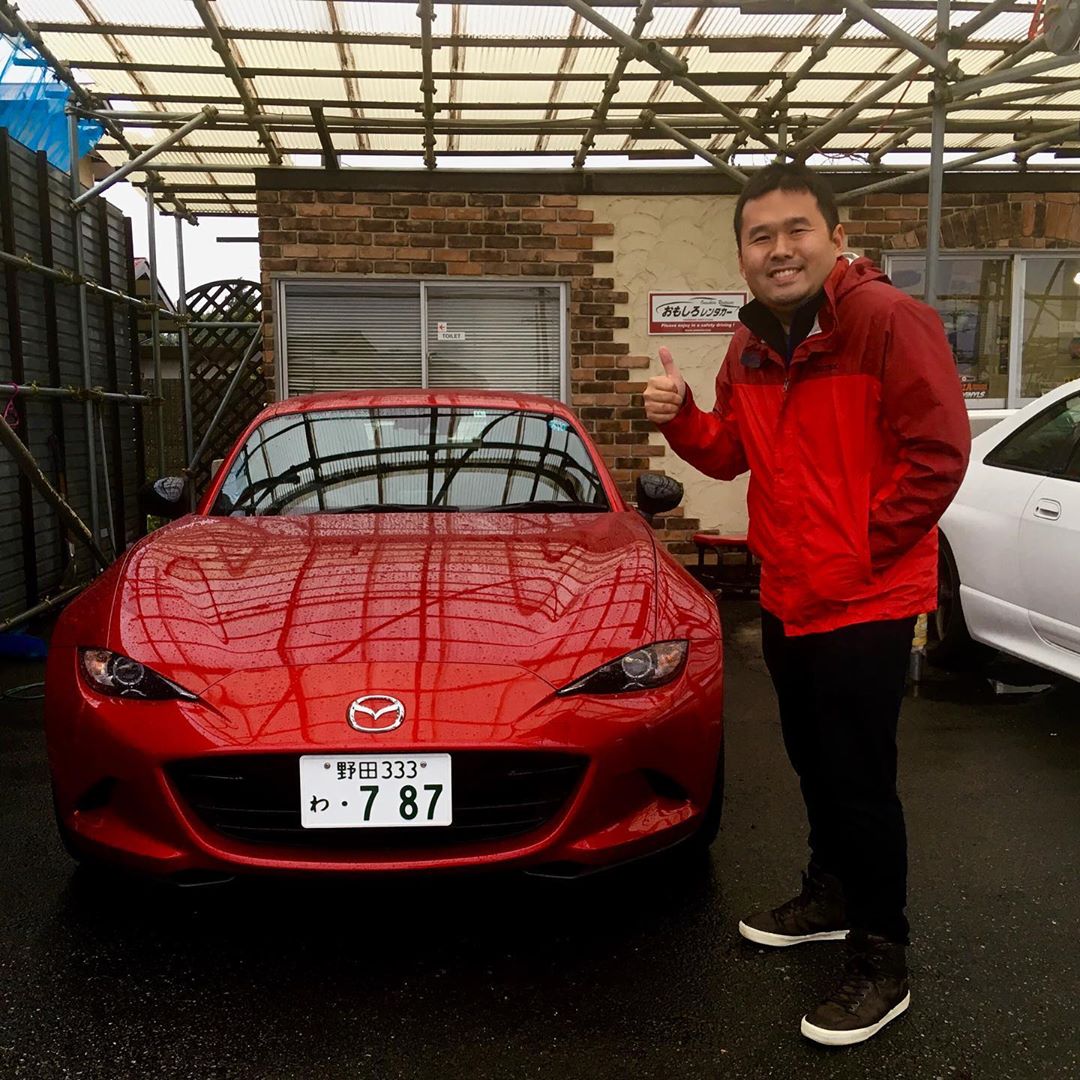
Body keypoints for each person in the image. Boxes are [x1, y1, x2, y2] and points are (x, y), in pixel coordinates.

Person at [645, 163, 970, 1046]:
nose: (779, 249)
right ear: (742, 255)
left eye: (797, 230)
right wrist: (680, 416)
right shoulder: (750, 343)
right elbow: (728, 453)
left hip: (866, 597)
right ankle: (830, 896)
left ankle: (882, 954)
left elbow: (939, 455)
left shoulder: (889, 321)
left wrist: (855, 550)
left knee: (861, 782)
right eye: (761, 236)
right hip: (788, 595)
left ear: (835, 237)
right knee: (813, 765)